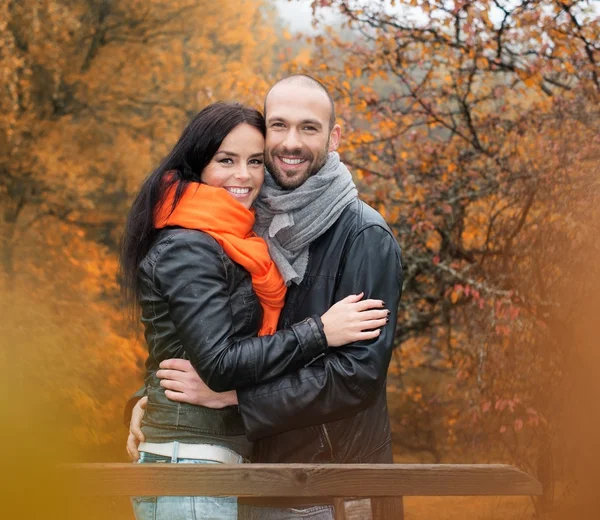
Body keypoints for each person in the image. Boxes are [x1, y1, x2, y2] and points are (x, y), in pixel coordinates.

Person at [127, 76, 404, 520]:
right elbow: (216, 331)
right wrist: (154, 398)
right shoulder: (242, 224)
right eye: (279, 126)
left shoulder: (364, 235)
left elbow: (357, 376)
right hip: (248, 478)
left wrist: (235, 396)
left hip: (328, 486)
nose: (291, 142)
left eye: (309, 128)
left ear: (334, 137)